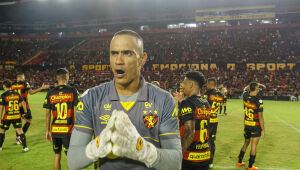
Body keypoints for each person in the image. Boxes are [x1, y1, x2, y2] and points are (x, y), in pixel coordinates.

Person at [67, 29, 182, 170]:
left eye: (127, 53)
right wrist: (97, 146)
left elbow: (175, 163)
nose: (118, 61)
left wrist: (143, 151)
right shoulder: (92, 98)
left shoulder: (163, 100)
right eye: (114, 53)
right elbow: (73, 161)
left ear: (142, 59)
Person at [43, 68, 79, 170]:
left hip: (55, 130)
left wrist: (47, 130)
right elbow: (77, 111)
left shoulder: (51, 92)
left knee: (57, 155)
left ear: (57, 78)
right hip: (68, 130)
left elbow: (47, 113)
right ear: (67, 77)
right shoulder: (73, 91)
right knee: (71, 157)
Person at [176, 71, 211, 170]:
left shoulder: (187, 103)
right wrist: (182, 101)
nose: (182, 85)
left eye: (184, 82)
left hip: (190, 158)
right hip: (205, 155)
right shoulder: (205, 102)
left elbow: (189, 132)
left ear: (191, 84)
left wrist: (178, 155)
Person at [11, 70, 49, 144]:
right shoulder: (25, 83)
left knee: (18, 123)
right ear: (22, 77)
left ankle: (18, 139)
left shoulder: (13, 84)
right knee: (29, 120)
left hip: (15, 106)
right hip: (24, 106)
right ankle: (19, 137)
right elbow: (31, 92)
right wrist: (41, 88)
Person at [236, 82, 265, 170]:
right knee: (253, 145)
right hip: (255, 125)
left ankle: (239, 161)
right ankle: (250, 166)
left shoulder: (245, 96)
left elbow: (245, 88)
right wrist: (263, 129)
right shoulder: (258, 100)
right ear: (256, 89)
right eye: (258, 88)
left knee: (246, 142)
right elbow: (260, 116)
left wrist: (252, 85)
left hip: (247, 124)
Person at [0, 79, 29, 152]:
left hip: (8, 117)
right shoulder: (17, 94)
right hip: (17, 116)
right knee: (20, 131)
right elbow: (23, 103)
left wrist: (0, 117)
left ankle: (0, 147)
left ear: (4, 86)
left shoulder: (3, 95)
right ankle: (25, 147)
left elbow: (1, 108)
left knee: (2, 131)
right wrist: (25, 112)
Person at [203, 78, 224, 168]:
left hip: (206, 120)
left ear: (210, 84)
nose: (206, 86)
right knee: (211, 141)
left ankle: (203, 159)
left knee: (203, 140)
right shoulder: (220, 94)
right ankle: (211, 162)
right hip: (215, 121)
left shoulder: (207, 94)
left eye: (207, 84)